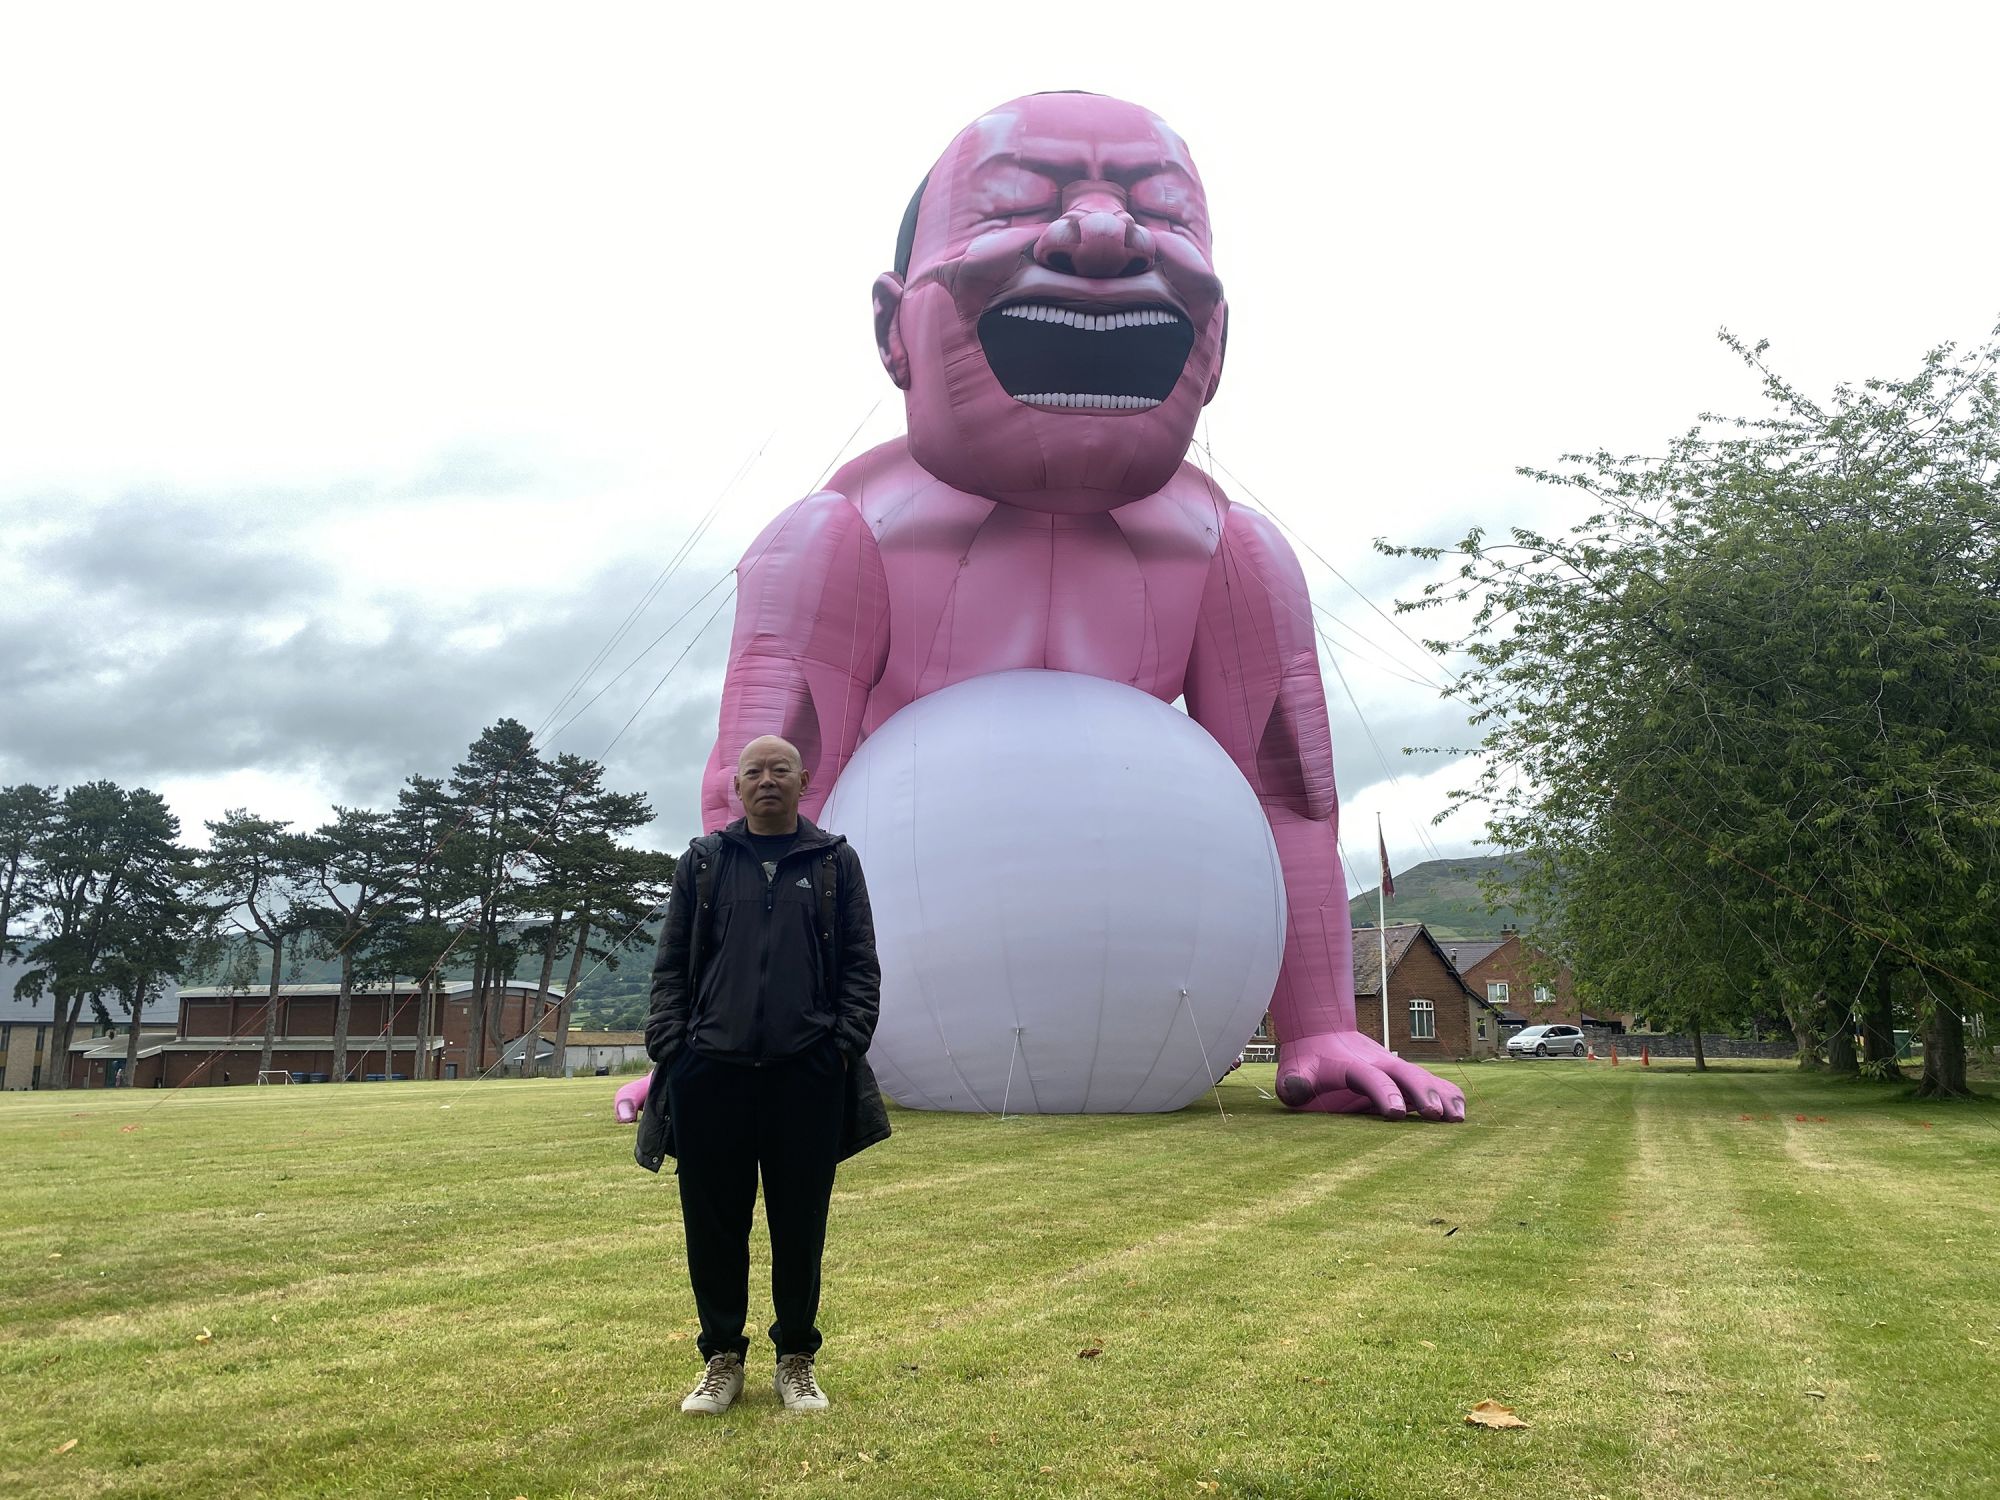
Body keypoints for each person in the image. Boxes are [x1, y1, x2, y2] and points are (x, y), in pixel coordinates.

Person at [640, 735, 889, 1415]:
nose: (768, 780)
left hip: (804, 1074)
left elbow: (861, 966)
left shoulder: (835, 862)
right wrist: (674, 1046)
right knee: (714, 1225)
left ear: (803, 779)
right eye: (755, 771)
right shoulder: (704, 863)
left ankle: (796, 1360)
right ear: (736, 786)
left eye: (781, 770)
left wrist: (840, 1045)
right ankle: (722, 1359)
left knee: (799, 1223)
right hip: (710, 1073)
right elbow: (670, 966)